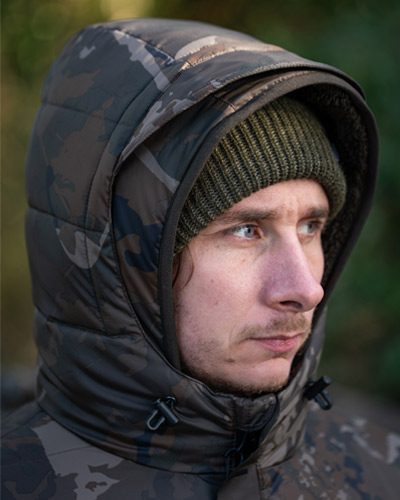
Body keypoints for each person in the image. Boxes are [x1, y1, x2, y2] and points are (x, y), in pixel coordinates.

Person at [2, 18, 399, 499]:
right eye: (247, 230)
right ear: (129, 259)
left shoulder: (381, 468)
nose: (306, 289)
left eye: (310, 226)